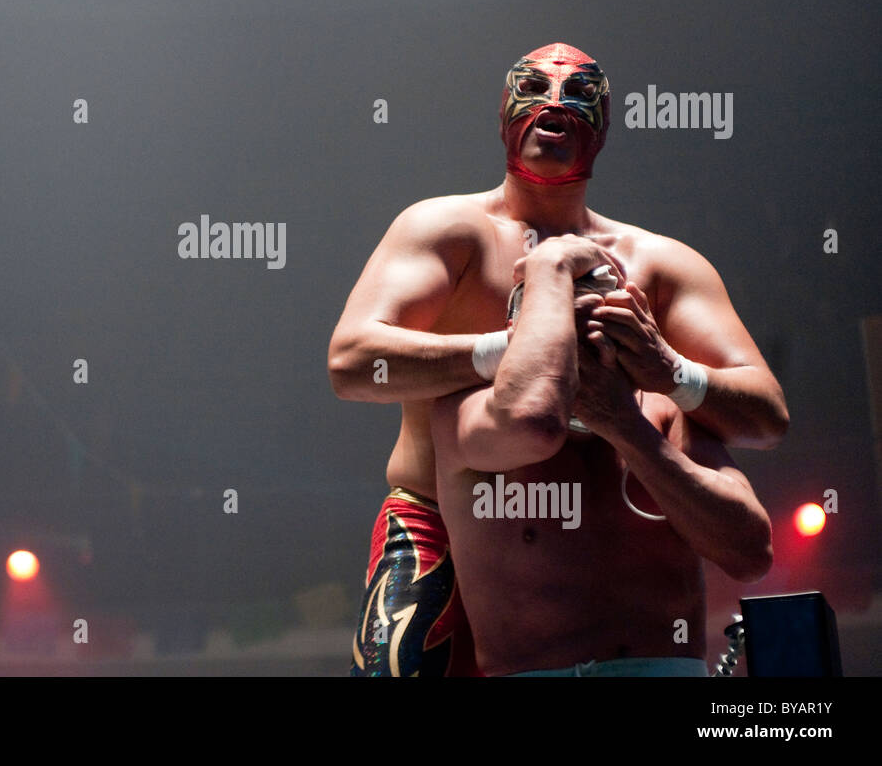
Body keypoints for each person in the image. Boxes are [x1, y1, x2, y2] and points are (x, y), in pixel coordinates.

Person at [333, 42, 788, 677]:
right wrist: (508, 349)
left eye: (577, 95)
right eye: (535, 90)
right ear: (503, 115)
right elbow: (353, 362)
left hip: (617, 519)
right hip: (450, 514)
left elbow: (766, 418)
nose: (554, 104)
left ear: (602, 127)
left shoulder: (658, 264)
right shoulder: (446, 232)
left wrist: (671, 372)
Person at [429, 250, 772, 676]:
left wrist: (627, 427)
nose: (585, 351)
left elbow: (753, 554)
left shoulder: (668, 414)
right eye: (565, 334)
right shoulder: (464, 414)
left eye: (600, 332)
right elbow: (535, 424)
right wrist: (550, 271)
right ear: (519, 335)